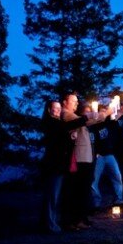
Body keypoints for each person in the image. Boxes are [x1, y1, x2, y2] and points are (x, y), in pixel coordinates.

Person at [40, 100, 88, 233]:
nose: (58, 110)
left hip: (60, 165)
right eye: (55, 108)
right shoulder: (51, 123)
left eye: (59, 108)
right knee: (52, 195)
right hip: (54, 165)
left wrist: (71, 137)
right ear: (49, 110)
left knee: (55, 194)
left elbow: (63, 139)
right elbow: (66, 127)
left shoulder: (57, 124)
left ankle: (52, 222)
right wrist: (86, 117)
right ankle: (50, 225)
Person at [61, 93, 107, 229]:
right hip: (79, 158)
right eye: (73, 101)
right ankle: (76, 219)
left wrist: (105, 113)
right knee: (79, 189)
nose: (76, 103)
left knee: (84, 188)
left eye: (77, 101)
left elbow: (89, 121)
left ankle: (81, 217)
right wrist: (94, 114)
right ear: (65, 102)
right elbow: (84, 121)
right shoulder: (66, 114)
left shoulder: (74, 116)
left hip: (85, 157)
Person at [90, 99, 123, 208]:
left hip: (110, 155)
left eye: (105, 111)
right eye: (102, 111)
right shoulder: (93, 125)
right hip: (98, 156)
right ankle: (96, 203)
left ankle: (119, 200)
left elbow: (121, 111)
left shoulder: (110, 122)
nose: (104, 114)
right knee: (94, 180)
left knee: (117, 177)